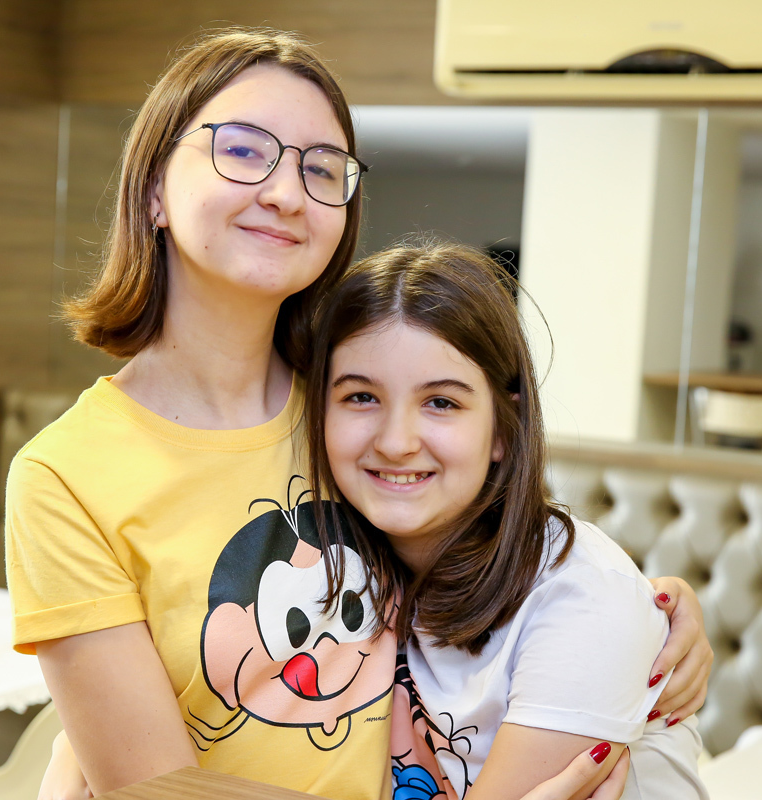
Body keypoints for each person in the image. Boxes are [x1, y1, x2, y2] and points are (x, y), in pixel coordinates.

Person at [4, 27, 712, 799]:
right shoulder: (64, 477)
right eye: (242, 149)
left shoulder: (355, 411)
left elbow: (510, 554)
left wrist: (649, 609)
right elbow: (157, 791)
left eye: (320, 168)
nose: (285, 192)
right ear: (153, 189)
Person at [303, 241, 708, 800]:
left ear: (502, 429)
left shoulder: (582, 599)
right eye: (361, 396)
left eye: (441, 403)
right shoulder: (349, 564)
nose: (395, 442)